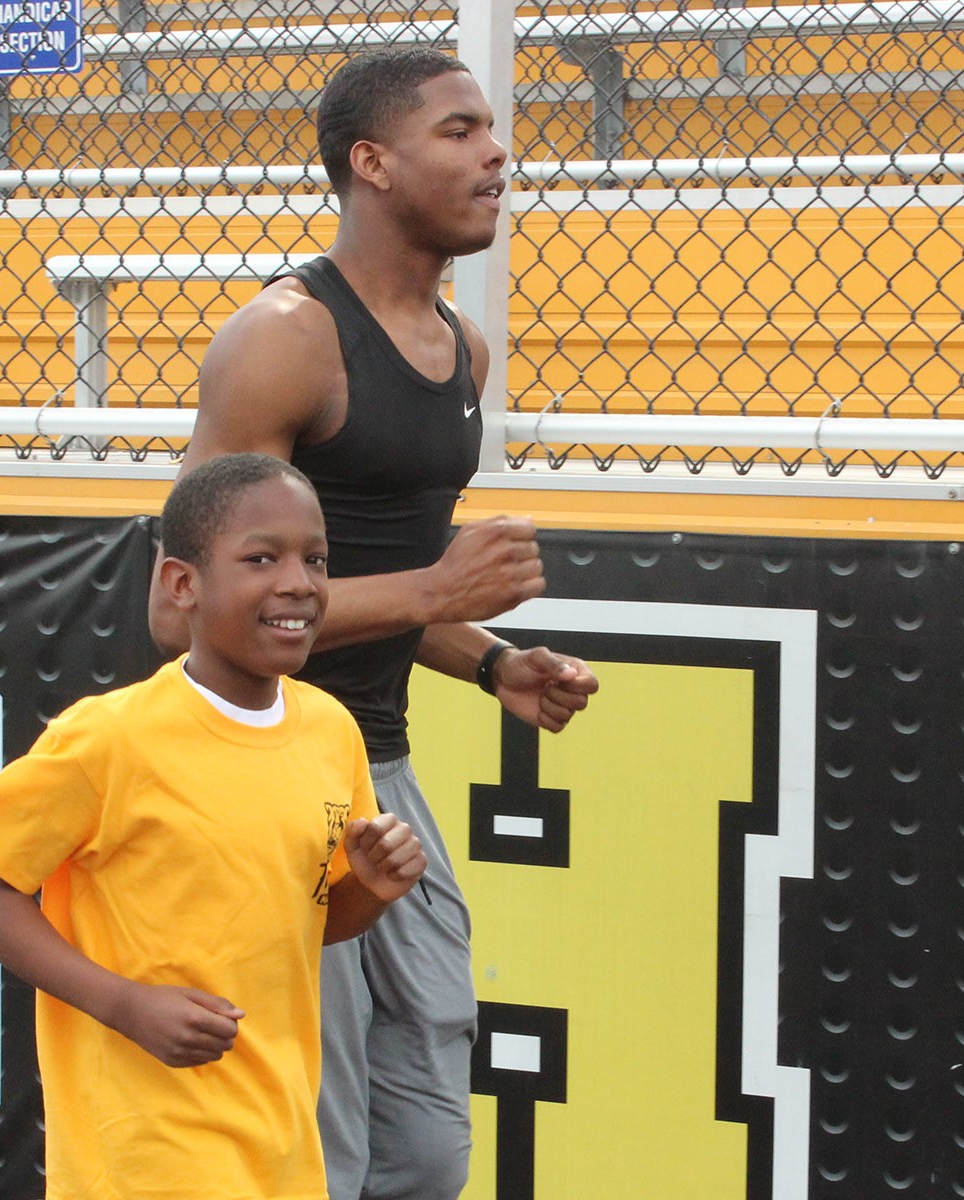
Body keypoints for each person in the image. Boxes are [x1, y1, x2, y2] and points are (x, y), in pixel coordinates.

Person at [150, 48, 603, 1200]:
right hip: (259, 780)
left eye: (494, 131)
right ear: (372, 163)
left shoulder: (465, 350)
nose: (498, 154)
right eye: (459, 131)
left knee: (428, 1127)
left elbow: (362, 589)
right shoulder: (286, 338)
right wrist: (439, 597)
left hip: (374, 768)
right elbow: (195, 611)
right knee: (320, 1128)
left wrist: (489, 658)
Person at [0, 453, 428, 1200]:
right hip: (146, 1156)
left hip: (280, 1148)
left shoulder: (331, 731)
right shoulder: (109, 738)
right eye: (261, 558)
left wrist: (375, 885)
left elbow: (315, 921)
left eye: (317, 559)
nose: (297, 582)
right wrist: (125, 1005)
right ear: (182, 585)